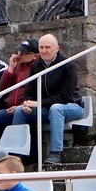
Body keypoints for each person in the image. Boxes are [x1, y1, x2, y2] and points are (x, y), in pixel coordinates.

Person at [11, 33, 84, 164]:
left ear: (57, 48)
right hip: (46, 108)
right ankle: (18, 155)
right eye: (41, 47)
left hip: (72, 106)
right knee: (19, 111)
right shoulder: (35, 66)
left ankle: (55, 153)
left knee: (56, 109)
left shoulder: (68, 66)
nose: (44, 51)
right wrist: (27, 103)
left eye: (48, 47)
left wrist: (38, 103)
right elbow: (29, 90)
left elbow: (65, 96)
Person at [0, 38, 39, 145]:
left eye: (23, 53)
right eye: (19, 51)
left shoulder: (36, 68)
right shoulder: (17, 67)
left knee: (11, 116)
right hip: (9, 108)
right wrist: (10, 69)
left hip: (25, 107)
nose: (19, 55)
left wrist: (20, 106)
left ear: (35, 56)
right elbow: (2, 88)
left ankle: (16, 150)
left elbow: (33, 92)